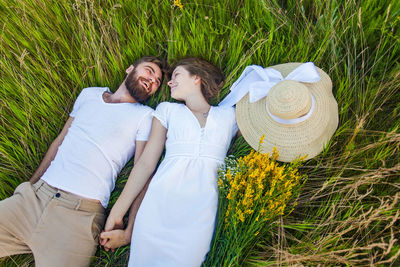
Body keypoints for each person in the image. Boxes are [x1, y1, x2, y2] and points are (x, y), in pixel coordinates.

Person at [0, 56, 164, 267]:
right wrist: (28, 187)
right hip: (32, 199)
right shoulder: (89, 94)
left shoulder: (145, 116)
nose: (152, 80)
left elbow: (142, 174)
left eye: (158, 81)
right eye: (149, 71)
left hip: (79, 218)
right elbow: (59, 141)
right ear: (130, 69)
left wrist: (129, 231)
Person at [101, 58, 238, 266]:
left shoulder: (229, 116)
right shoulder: (167, 110)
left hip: (199, 218)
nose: (169, 82)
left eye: (176, 76)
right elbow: (146, 164)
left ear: (196, 78)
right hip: (157, 211)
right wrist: (117, 212)